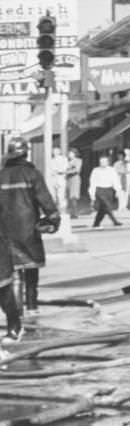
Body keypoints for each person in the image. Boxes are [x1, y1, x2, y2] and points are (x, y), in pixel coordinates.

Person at [0, 139, 58, 341]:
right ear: (25, 154)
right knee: (30, 269)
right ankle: (32, 307)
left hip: (5, 231)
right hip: (28, 228)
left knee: (11, 276)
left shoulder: (1, 175)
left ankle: (16, 319)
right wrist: (53, 219)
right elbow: (45, 200)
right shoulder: (32, 174)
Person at [89, 153, 123, 229]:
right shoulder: (96, 170)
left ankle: (96, 223)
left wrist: (118, 190)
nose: (103, 163)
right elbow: (92, 182)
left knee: (103, 209)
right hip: (100, 190)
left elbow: (115, 180)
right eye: (101, 162)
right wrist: (92, 193)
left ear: (108, 162)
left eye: (104, 162)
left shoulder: (111, 170)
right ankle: (115, 221)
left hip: (109, 190)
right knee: (107, 206)